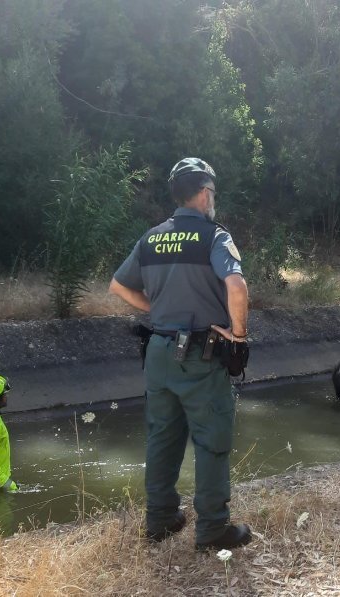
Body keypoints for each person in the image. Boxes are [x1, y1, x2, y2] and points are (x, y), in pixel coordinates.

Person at [110, 157, 252, 551]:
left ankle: (160, 520)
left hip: (157, 351)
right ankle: (211, 531)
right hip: (201, 356)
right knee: (211, 440)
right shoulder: (214, 236)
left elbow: (118, 287)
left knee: (162, 436)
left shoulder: (151, 238)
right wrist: (238, 337)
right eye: (213, 194)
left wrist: (156, 310)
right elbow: (236, 287)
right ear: (205, 194)